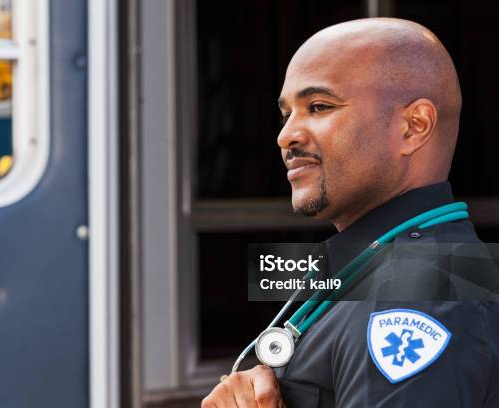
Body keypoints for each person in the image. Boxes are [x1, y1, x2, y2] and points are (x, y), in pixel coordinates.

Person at [201, 18, 499, 407]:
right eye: (286, 113)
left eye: (319, 106)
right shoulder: (379, 264)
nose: (286, 135)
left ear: (414, 126)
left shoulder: (415, 299)